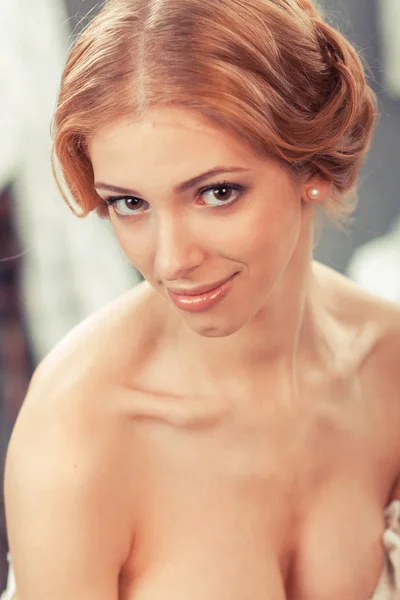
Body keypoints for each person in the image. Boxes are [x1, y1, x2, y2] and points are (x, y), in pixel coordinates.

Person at [3, 0, 400, 598]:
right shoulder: (84, 430)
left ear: (313, 160)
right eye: (129, 204)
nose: (170, 261)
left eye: (216, 192)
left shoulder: (388, 362)